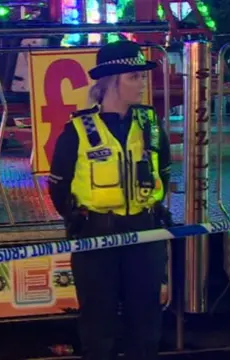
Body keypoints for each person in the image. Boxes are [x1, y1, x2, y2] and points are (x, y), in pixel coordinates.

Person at [47, 40, 172, 360]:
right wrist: (82, 218)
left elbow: (165, 173)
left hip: (145, 232)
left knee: (145, 324)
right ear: (110, 82)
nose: (143, 84)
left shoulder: (150, 125)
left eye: (143, 77)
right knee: (98, 323)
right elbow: (59, 189)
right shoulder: (77, 130)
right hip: (95, 236)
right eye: (134, 77)